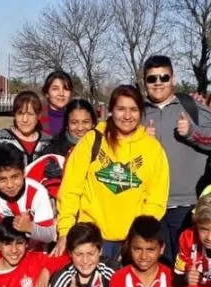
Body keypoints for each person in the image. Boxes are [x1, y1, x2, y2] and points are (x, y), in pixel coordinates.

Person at [56, 85, 169, 267]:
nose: (126, 116)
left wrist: (137, 238)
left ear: (141, 112)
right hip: (91, 239)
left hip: (130, 243)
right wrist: (65, 231)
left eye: (133, 110)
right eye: (120, 109)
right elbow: (70, 190)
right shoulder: (92, 140)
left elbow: (156, 201)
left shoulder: (152, 149)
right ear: (110, 111)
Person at [142, 55, 211, 259]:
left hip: (187, 204)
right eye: (152, 79)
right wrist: (140, 140)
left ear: (173, 79)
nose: (158, 83)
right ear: (145, 82)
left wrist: (191, 132)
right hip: (149, 203)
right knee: (156, 265)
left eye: (164, 77)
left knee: (186, 264)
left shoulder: (190, 105)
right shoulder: (138, 111)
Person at [0, 143, 56, 274]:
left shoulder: (37, 193)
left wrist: (30, 228)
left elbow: (50, 235)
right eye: (3, 179)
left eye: (15, 177)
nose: (10, 185)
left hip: (34, 252)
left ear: (24, 172)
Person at [0, 91, 53, 163]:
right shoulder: (0, 139)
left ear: (38, 116)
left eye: (30, 114)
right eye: (20, 114)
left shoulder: (48, 142)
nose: (25, 120)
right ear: (14, 115)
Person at [40, 70, 74, 136]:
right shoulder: (37, 118)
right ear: (47, 93)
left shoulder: (78, 118)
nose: (61, 93)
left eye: (66, 89)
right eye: (55, 89)